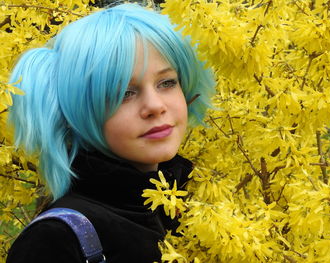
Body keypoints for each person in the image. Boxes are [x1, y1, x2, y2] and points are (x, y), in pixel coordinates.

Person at [6, 3, 215, 263]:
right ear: (78, 112)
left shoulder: (188, 209)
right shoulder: (56, 240)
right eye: (124, 93)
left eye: (167, 82)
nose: (155, 106)